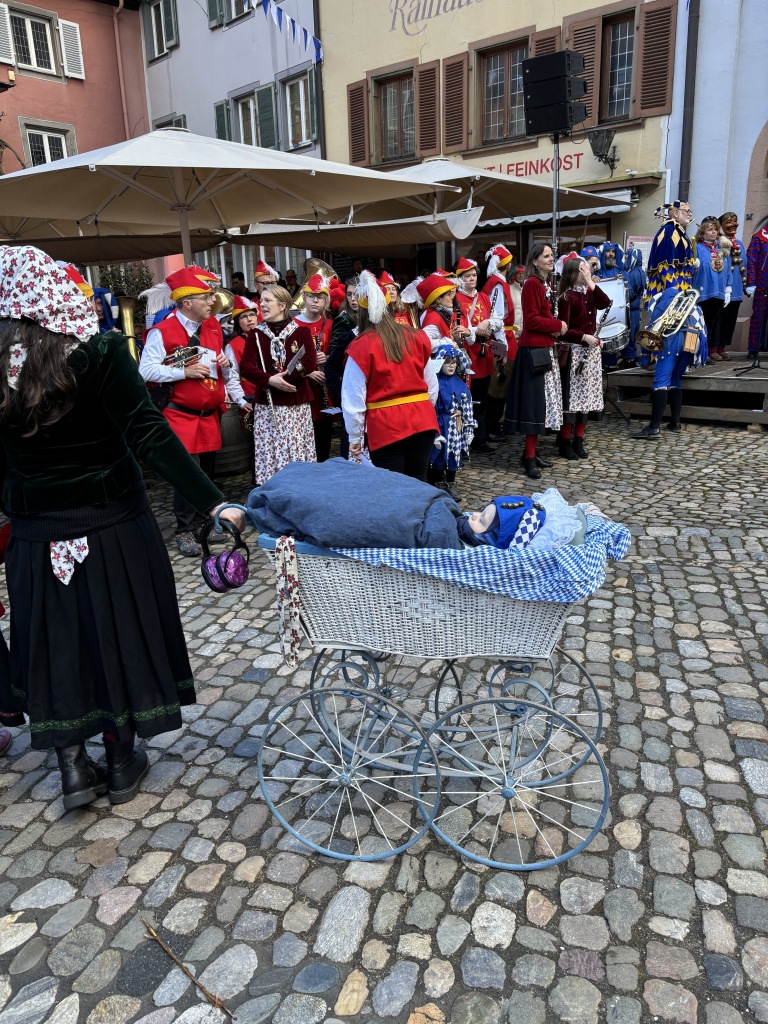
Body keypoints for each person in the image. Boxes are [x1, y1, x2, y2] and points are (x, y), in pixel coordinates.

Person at [0, 245, 243, 808]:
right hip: (111, 527)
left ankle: (72, 766)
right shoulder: (102, 350)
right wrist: (212, 502)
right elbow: (149, 434)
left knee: (55, 640)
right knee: (119, 632)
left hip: (36, 537)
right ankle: (120, 754)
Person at [139, 268, 232, 556]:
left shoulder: (214, 327)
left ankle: (205, 522)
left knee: (206, 473)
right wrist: (183, 371)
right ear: (187, 301)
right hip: (180, 414)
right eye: (207, 296)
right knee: (186, 474)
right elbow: (145, 370)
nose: (212, 300)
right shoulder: (162, 331)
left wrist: (226, 367)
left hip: (209, 414)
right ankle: (185, 529)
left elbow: (221, 373)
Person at [342, 271, 438, 480]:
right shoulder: (416, 336)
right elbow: (431, 385)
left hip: (386, 427)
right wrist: (422, 410)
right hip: (423, 420)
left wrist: (355, 436)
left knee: (393, 489)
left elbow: (353, 397)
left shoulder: (360, 346)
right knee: (418, 483)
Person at [633, 200, 705, 439]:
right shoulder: (671, 232)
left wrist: (672, 289)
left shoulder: (678, 235)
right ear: (675, 213)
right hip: (692, 325)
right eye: (688, 211)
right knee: (676, 377)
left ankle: (653, 427)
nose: (691, 215)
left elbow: (665, 270)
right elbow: (666, 266)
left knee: (663, 376)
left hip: (675, 321)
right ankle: (674, 423)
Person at [239, 284, 318, 485]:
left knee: (296, 451)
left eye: (267, 301)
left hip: (295, 404)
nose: (262, 305)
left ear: (282, 305)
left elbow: (309, 362)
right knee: (271, 453)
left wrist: (285, 380)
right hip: (268, 406)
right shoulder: (256, 335)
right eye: (261, 300)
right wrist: (269, 380)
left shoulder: (300, 332)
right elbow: (246, 367)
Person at [504, 242, 566, 479]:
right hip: (533, 351)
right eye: (546, 256)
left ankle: (532, 452)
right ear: (535, 260)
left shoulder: (542, 283)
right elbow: (531, 320)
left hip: (543, 349)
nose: (551, 259)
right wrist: (557, 325)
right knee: (534, 407)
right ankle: (528, 457)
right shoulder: (532, 284)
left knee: (542, 405)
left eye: (552, 255)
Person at [556, 257, 611, 460]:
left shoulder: (589, 293)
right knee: (572, 401)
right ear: (571, 273)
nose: (585, 272)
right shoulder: (567, 297)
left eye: (586, 269)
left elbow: (605, 302)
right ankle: (564, 441)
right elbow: (563, 330)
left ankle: (579, 439)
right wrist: (584, 337)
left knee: (587, 399)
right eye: (581, 270)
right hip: (574, 353)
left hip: (590, 353)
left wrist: (590, 282)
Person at [454, 256, 500, 452]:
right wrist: (475, 330)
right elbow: (460, 328)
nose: (471, 279)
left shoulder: (483, 297)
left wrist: (488, 324)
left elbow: (497, 320)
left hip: (484, 355)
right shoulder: (455, 298)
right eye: (467, 276)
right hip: (467, 356)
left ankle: (480, 441)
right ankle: (465, 442)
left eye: (474, 275)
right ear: (460, 278)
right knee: (465, 402)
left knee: (481, 402)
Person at [294, 273, 334, 462]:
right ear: (305, 298)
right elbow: (287, 360)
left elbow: (337, 354)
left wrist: (327, 357)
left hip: (324, 390)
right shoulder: (293, 325)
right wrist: (307, 370)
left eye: (320, 297)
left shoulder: (330, 325)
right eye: (311, 296)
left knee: (324, 439)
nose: (315, 301)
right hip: (303, 389)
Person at [428, 344, 475, 501]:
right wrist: (433, 432)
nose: (451, 365)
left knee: (454, 453)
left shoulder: (461, 385)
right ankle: (438, 483)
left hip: (456, 424)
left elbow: (467, 407)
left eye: (454, 362)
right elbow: (430, 408)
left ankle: (451, 483)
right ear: (440, 362)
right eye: (447, 362)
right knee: (438, 453)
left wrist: (469, 429)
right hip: (439, 423)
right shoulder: (433, 384)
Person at [325, 277, 359, 459]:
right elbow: (334, 357)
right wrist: (340, 399)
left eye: (357, 295)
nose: (353, 299)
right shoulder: (343, 320)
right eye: (350, 295)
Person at [693, 216, 732, 362]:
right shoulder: (696, 248)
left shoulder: (721, 249)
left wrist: (728, 288)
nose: (714, 232)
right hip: (702, 293)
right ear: (703, 233)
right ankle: (698, 352)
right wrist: (693, 264)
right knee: (701, 324)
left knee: (713, 324)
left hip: (718, 292)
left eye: (716, 229)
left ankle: (708, 351)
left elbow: (728, 270)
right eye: (710, 229)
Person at [717, 212, 747, 360]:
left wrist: (747, 284)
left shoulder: (739, 243)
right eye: (729, 222)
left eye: (735, 221)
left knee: (729, 321)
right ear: (721, 225)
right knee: (718, 320)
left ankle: (722, 347)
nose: (733, 224)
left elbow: (745, 265)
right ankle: (712, 348)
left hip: (736, 290)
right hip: (722, 290)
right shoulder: (719, 242)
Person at [745, 224, 767, 359]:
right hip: (763, 285)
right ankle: (754, 348)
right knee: (759, 317)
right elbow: (751, 261)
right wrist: (752, 282)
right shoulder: (759, 238)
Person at [621, 247, 646, 366]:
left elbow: (628, 294)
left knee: (628, 336)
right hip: (638, 310)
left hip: (630, 310)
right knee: (634, 335)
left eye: (627, 257)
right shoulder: (641, 272)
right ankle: (633, 357)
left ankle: (629, 360)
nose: (625, 260)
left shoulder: (631, 274)